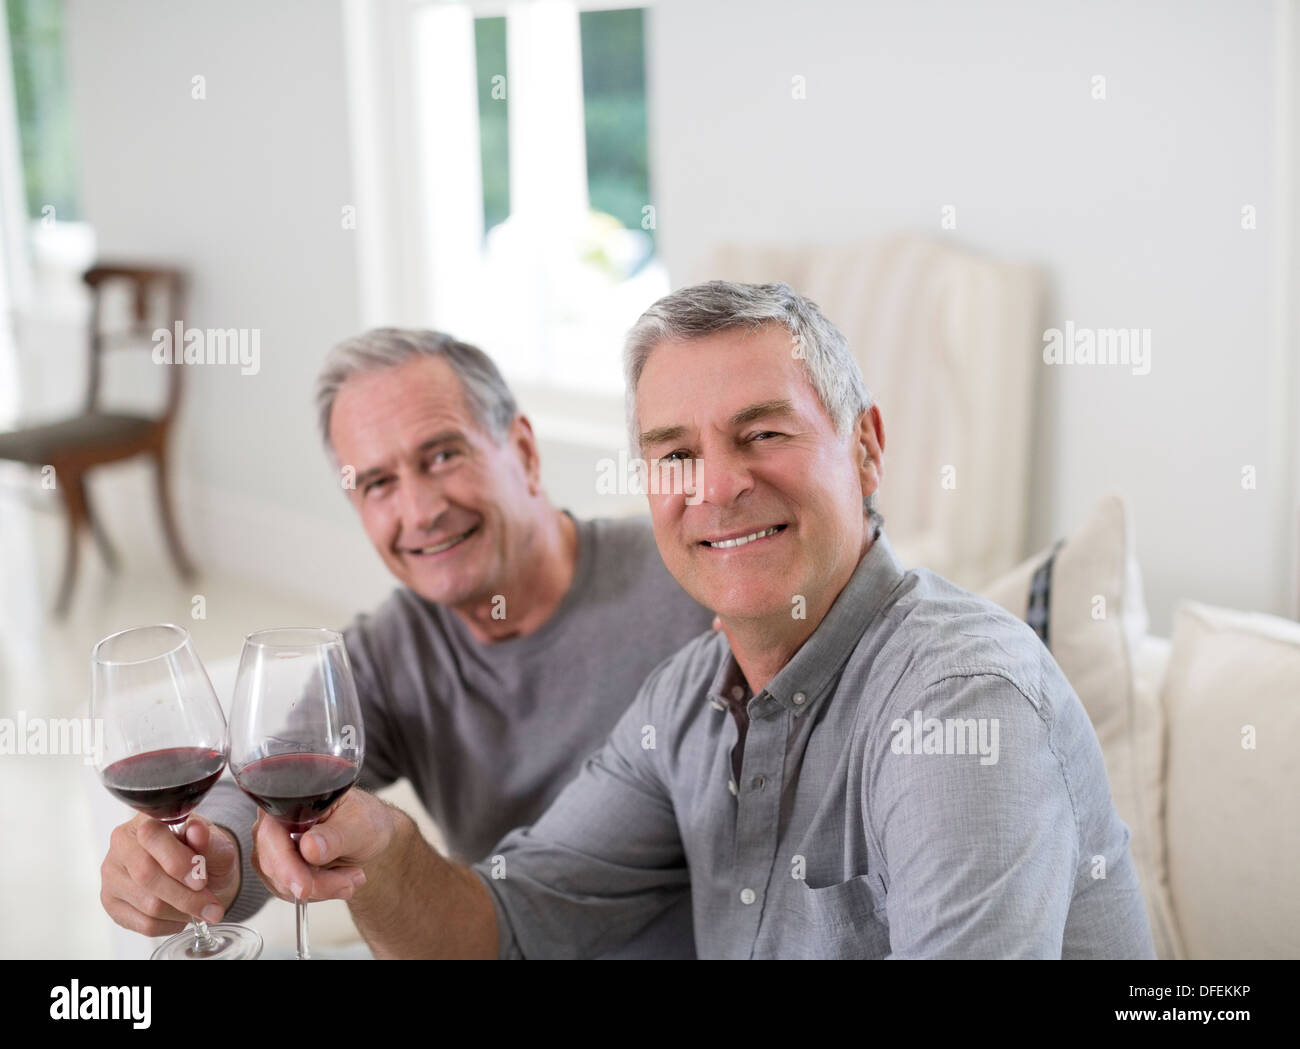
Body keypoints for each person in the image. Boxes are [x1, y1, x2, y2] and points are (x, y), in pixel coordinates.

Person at [250, 281, 1157, 959]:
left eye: (763, 433)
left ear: (867, 448)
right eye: (675, 452)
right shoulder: (685, 701)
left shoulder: (959, 707)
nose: (716, 486)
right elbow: (506, 927)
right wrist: (384, 849)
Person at [97, 329, 716, 958]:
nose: (420, 511)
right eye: (377, 484)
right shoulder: (391, 651)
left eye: (443, 456)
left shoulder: (694, 579)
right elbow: (260, 784)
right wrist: (213, 856)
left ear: (524, 452)